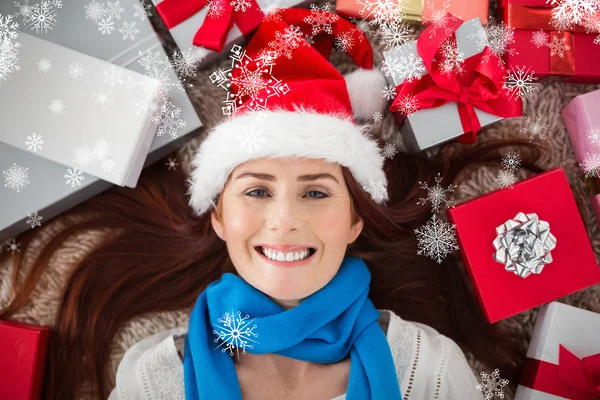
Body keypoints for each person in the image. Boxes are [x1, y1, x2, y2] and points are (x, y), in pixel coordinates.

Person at [0, 8, 544, 400]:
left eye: (315, 192)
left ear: (355, 221)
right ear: (218, 217)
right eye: (257, 191)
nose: (284, 221)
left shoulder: (428, 372)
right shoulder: (154, 379)